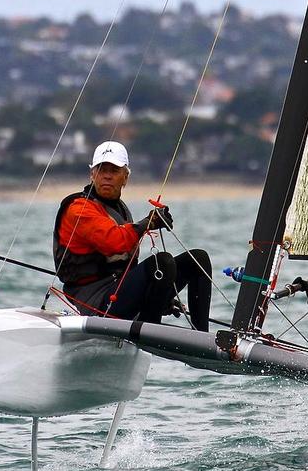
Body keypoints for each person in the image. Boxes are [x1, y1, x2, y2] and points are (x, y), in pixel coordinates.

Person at [52, 140, 212, 331]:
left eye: (114, 171)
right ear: (92, 174)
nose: (107, 176)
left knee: (197, 259)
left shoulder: (120, 210)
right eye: (102, 170)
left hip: (117, 292)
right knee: (162, 263)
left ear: (125, 177)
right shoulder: (79, 208)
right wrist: (148, 223)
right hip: (92, 301)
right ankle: (150, 333)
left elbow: (126, 267)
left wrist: (159, 296)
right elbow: (113, 241)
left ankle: (203, 337)